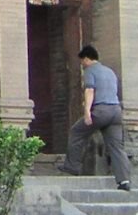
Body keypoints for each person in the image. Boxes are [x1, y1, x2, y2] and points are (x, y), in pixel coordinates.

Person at [56, 44, 131, 191]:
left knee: (77, 132)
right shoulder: (110, 72)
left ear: (87, 59)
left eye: (82, 61)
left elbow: (90, 90)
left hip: (101, 111)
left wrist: (87, 111)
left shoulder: (90, 71)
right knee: (117, 147)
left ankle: (72, 167)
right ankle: (124, 181)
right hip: (116, 112)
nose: (82, 65)